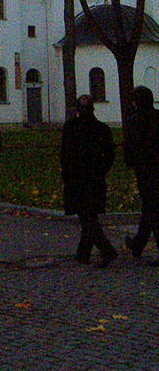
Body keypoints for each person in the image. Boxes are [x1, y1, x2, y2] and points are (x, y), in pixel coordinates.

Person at [61, 93, 118, 267]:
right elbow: (110, 155)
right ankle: (83, 253)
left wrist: (67, 175)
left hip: (77, 178)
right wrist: (101, 170)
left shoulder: (71, 128)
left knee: (86, 216)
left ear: (77, 109)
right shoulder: (103, 129)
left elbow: (66, 155)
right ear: (93, 108)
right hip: (96, 178)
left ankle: (106, 248)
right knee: (90, 214)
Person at [124, 85, 159, 258]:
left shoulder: (135, 120)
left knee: (152, 208)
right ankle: (138, 244)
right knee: (150, 207)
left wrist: (131, 162)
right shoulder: (157, 116)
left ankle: (139, 244)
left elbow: (134, 147)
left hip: (146, 169)